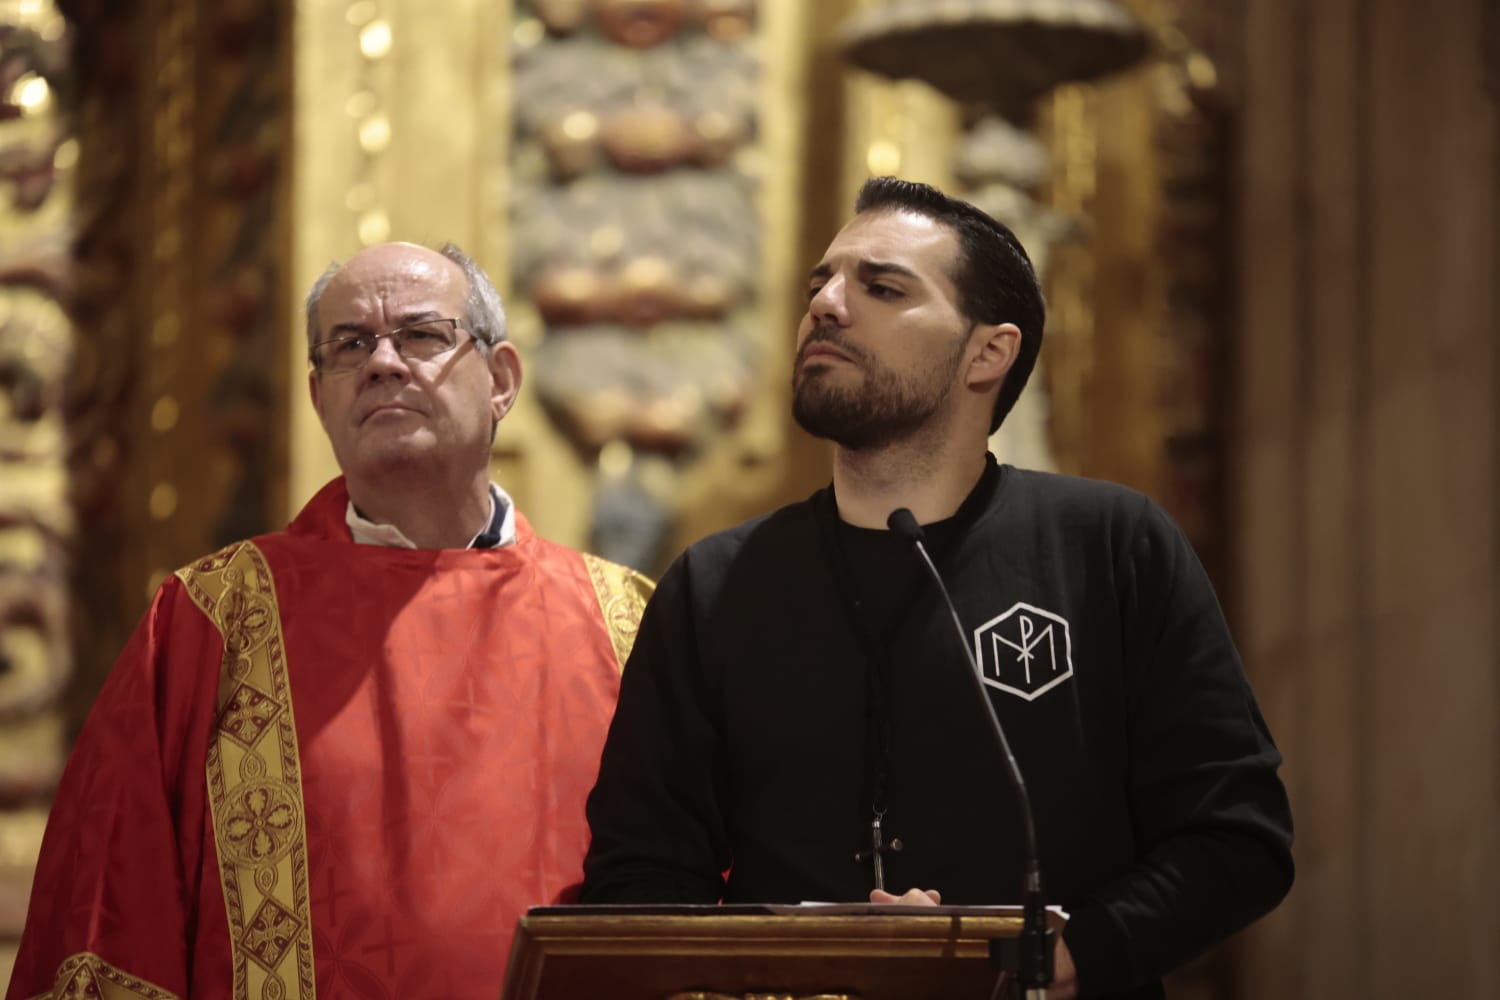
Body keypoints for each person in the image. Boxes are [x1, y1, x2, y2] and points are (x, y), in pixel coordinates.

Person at [579, 178, 1294, 999]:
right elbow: (638, 876)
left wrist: (1064, 954)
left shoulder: (1108, 545)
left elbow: (1238, 837)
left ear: (988, 353)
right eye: (822, 283)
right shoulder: (714, 584)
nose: (827, 305)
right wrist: (785, 958)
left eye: (882, 287)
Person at [8, 242, 653, 1000]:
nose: (383, 362)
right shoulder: (211, 620)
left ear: (502, 380)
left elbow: (698, 916)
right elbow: (110, 910)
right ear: (319, 399)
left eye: (421, 335)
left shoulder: (623, 626)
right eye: (350, 345)